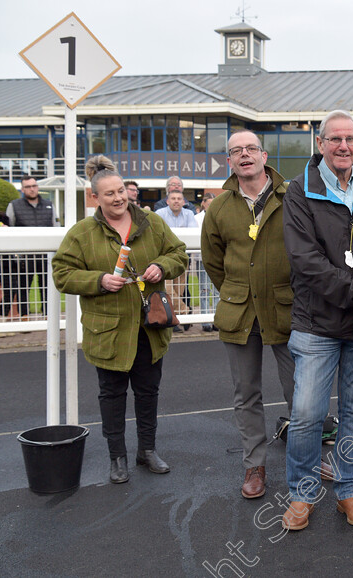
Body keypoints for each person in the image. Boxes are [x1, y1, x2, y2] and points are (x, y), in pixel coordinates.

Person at [281, 110, 353, 531]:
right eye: (334, 139)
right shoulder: (299, 191)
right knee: (308, 414)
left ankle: (349, 491)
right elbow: (305, 262)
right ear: (320, 143)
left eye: (350, 139)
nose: (343, 146)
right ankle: (301, 495)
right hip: (317, 325)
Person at [52, 156, 188, 484]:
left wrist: (161, 266)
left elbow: (179, 253)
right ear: (95, 198)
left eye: (120, 191)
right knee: (111, 394)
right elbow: (62, 273)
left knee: (148, 391)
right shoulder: (82, 233)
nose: (118, 198)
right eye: (109, 193)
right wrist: (98, 280)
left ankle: (147, 450)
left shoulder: (151, 223)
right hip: (109, 331)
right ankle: (118, 457)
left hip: (148, 328)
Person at [200, 132, 299, 498]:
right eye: (236, 151)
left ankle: (305, 459)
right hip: (240, 314)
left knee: (301, 392)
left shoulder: (294, 197)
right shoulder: (220, 208)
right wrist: (238, 290)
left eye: (250, 149)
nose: (244, 155)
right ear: (230, 161)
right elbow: (213, 261)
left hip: (287, 310)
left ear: (264, 155)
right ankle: (254, 466)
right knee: (246, 395)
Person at [6, 176, 59, 318]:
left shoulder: (49, 204)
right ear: (22, 189)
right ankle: (25, 317)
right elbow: (9, 229)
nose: (32, 189)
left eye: (34, 185)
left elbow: (55, 227)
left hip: (46, 255)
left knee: (47, 286)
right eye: (28, 187)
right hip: (24, 255)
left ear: (38, 187)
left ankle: (49, 316)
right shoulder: (14, 205)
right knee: (23, 287)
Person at [155, 189, 196, 331]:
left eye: (179, 198)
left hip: (183, 257)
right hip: (164, 257)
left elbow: (191, 235)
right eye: (173, 198)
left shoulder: (189, 214)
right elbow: (158, 235)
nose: (176, 201)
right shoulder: (160, 214)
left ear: (184, 202)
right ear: (167, 201)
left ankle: (173, 321)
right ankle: (184, 311)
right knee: (168, 290)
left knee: (178, 290)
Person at [196, 192, 217, 332]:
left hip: (217, 259)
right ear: (203, 203)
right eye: (208, 204)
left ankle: (216, 320)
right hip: (202, 259)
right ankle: (205, 321)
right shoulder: (196, 218)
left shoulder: (219, 215)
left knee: (217, 291)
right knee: (204, 290)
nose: (210, 206)